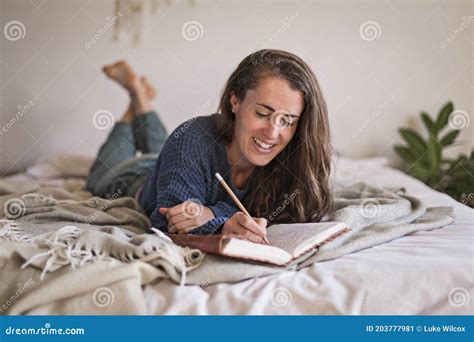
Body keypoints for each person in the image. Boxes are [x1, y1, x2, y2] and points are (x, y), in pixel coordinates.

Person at [86, 49, 332, 244]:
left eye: (287, 120)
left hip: (175, 164)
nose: (273, 133)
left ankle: (140, 100)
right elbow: (167, 224)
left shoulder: (293, 151)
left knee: (160, 148)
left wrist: (210, 213)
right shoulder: (191, 139)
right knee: (102, 174)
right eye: (261, 113)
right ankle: (134, 102)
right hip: (135, 176)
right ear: (234, 100)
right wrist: (221, 220)